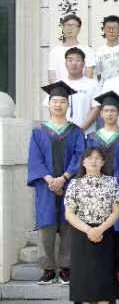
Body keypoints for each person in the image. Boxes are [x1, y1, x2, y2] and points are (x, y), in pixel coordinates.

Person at [28, 82, 86, 285]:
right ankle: (48, 269)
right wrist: (49, 179)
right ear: (49, 104)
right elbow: (35, 159)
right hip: (46, 186)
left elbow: (80, 156)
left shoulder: (76, 131)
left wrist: (64, 178)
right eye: (55, 101)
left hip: (69, 184)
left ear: (68, 105)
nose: (58, 104)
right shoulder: (38, 132)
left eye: (62, 101)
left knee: (68, 224)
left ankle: (66, 267)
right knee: (46, 225)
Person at [64, 147, 119, 304]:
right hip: (81, 235)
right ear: (83, 162)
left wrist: (100, 229)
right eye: (89, 158)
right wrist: (89, 230)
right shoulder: (75, 184)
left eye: (98, 158)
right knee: (82, 282)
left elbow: (116, 212)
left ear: (103, 162)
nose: (94, 161)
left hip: (105, 234)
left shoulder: (111, 182)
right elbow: (69, 214)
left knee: (104, 280)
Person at [85, 91, 119, 284]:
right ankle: (99, 269)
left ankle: (116, 268)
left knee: (118, 230)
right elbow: (88, 162)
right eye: (106, 110)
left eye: (113, 110)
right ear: (100, 113)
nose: (109, 114)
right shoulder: (92, 138)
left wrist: (114, 181)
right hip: (95, 190)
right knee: (97, 227)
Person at [54, 47, 100, 134]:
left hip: (86, 134)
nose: (74, 63)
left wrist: (79, 131)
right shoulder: (58, 84)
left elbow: (96, 108)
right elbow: (52, 109)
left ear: (83, 63)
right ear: (65, 64)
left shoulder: (93, 84)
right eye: (70, 60)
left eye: (78, 60)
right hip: (62, 134)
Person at [48, 15, 96, 82]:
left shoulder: (88, 50)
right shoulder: (54, 51)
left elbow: (89, 76)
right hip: (60, 88)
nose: (69, 28)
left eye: (73, 26)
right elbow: (52, 77)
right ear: (63, 28)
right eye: (67, 25)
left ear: (79, 29)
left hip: (82, 88)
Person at [94, 15, 119, 85]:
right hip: (105, 87)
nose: (111, 31)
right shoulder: (99, 51)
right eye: (108, 28)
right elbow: (97, 74)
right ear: (104, 30)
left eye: (114, 28)